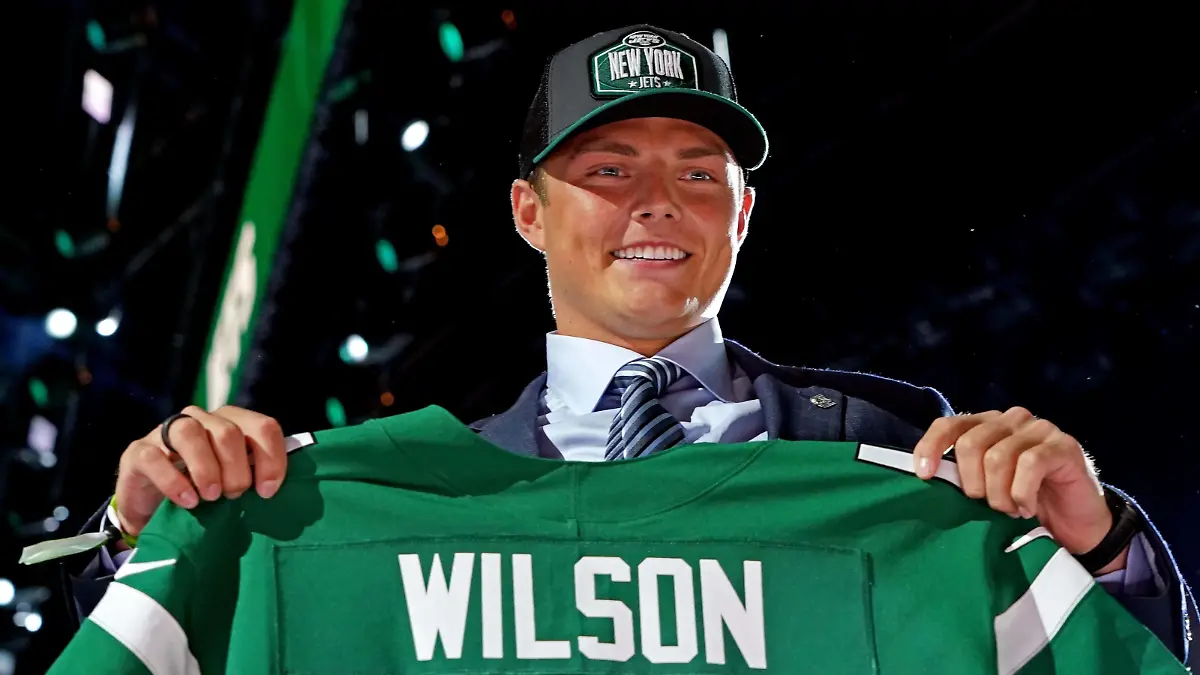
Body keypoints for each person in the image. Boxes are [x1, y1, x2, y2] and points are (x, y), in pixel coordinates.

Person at [64, 23, 1195, 668]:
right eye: (609, 171)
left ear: (741, 218)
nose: (659, 205)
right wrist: (150, 533)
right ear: (525, 213)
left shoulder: (906, 467)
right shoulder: (377, 501)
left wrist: (1100, 549)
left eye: (700, 175)